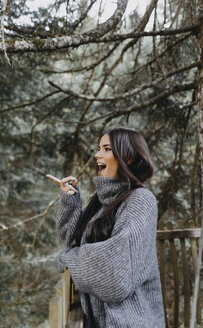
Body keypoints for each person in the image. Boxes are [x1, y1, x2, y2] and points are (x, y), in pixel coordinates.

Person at [47, 127, 166, 328]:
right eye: (98, 148)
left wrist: (67, 258)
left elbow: (114, 274)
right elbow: (71, 239)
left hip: (131, 322)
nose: (97, 154)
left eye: (106, 148)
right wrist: (71, 202)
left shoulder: (140, 200)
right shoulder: (101, 203)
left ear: (127, 158)